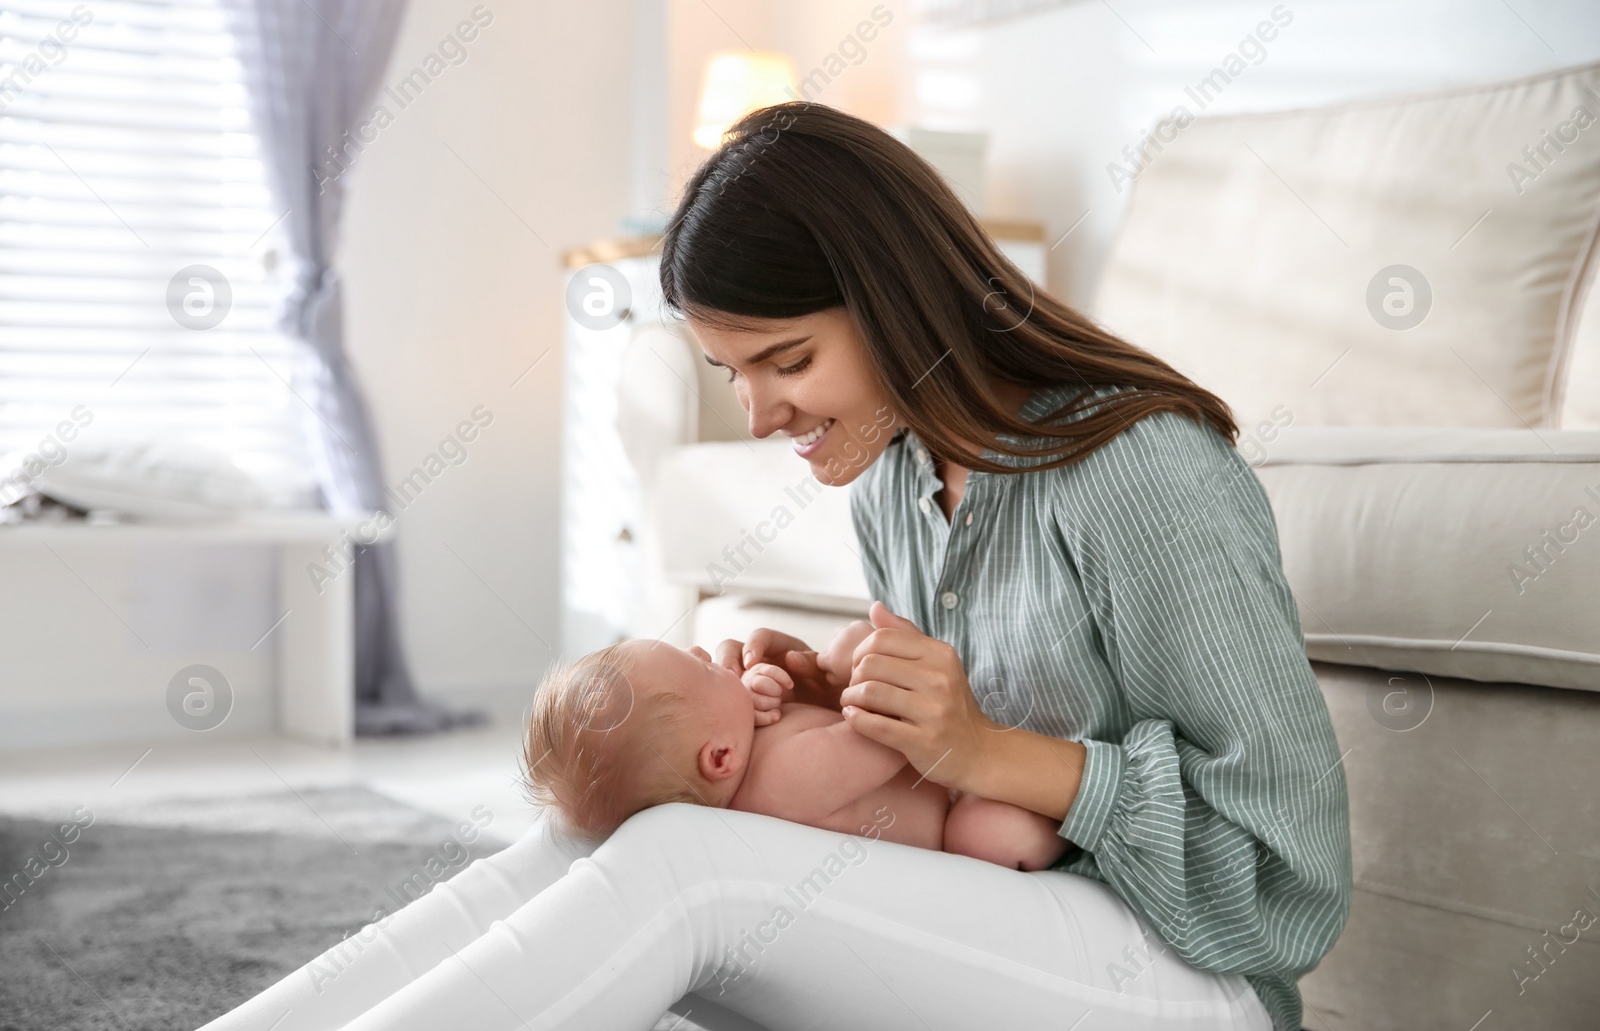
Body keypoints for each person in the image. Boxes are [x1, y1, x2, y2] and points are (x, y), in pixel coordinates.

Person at [198, 102, 1350, 1031]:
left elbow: (1288, 880)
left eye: (784, 359)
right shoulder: (903, 478)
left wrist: (982, 750)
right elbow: (916, 778)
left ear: (897, 300)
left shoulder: (1140, 470)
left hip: (1184, 975)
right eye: (730, 370)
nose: (755, 415)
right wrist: (822, 707)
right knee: (593, 828)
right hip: (1003, 919)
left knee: (688, 871)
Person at [519, 622, 1071, 869]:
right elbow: (891, 737)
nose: (706, 651)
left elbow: (813, 720)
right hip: (950, 821)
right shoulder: (783, 778)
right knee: (993, 832)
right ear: (720, 759)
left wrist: (753, 698)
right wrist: (860, 660)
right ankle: (1069, 850)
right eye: (702, 668)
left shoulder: (742, 759)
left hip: (942, 783)